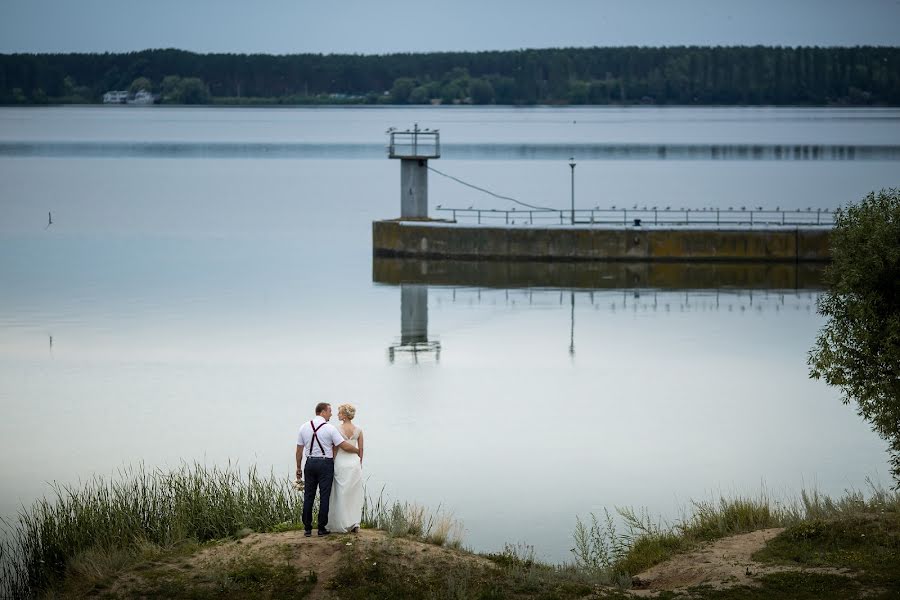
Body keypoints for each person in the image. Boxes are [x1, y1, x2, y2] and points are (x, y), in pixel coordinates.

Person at [296, 402, 359, 537]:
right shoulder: (330, 429)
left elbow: (299, 450)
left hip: (310, 463)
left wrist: (298, 468)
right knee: (325, 496)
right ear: (323, 411)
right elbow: (343, 445)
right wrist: (357, 450)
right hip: (325, 464)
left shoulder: (304, 427)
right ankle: (321, 528)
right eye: (329, 411)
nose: (331, 414)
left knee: (308, 496)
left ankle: (307, 528)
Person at [327, 403, 364, 533]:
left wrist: (331, 462)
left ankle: (340, 522)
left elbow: (335, 448)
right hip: (354, 463)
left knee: (340, 493)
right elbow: (361, 450)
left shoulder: (336, 429)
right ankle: (354, 523)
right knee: (353, 494)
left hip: (341, 463)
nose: (338, 415)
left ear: (344, 415)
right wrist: (359, 464)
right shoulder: (359, 430)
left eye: (340, 413)